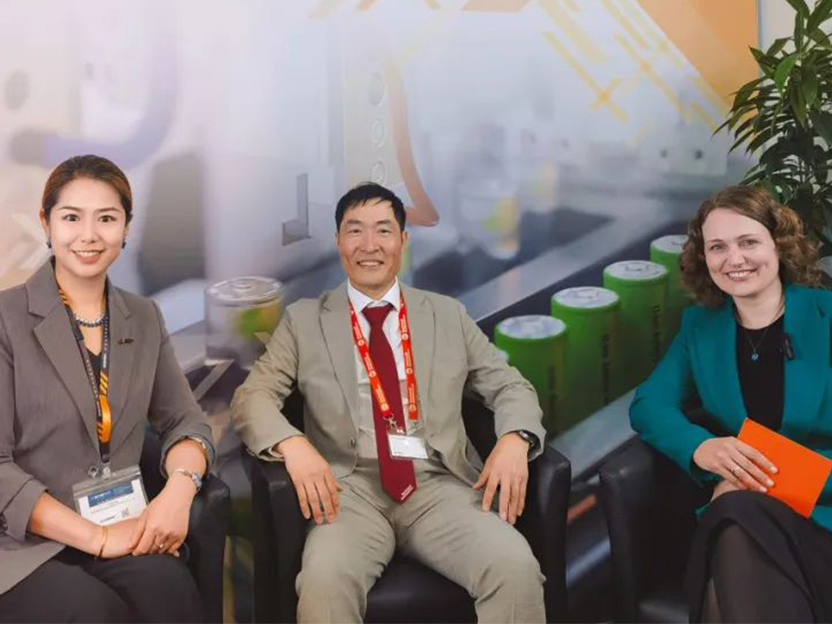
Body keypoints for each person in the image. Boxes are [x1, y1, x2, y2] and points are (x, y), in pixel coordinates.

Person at [232, 182, 547, 623]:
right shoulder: (304, 320)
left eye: (383, 230)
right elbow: (253, 397)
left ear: (403, 240)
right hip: (348, 494)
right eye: (354, 230)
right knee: (324, 582)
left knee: (514, 567)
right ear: (339, 241)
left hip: (439, 486)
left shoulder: (446, 314)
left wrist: (515, 438)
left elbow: (511, 386)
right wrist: (293, 445)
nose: (369, 245)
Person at [0, 155, 214, 624]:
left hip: (120, 521)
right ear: (46, 223)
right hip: (20, 541)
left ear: (126, 228)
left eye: (106, 218)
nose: (89, 235)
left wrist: (179, 492)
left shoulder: (144, 316)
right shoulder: (6, 318)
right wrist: (97, 539)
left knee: (171, 590)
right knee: (95, 611)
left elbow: (186, 421)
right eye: (71, 217)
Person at [630, 185, 832, 623]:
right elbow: (648, 403)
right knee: (735, 522)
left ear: (778, 244)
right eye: (717, 247)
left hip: (824, 515)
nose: (734, 258)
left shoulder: (827, 315)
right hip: (747, 516)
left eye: (748, 242)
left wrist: (764, 479)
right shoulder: (701, 327)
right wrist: (702, 448)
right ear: (704, 257)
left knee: (732, 520)